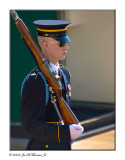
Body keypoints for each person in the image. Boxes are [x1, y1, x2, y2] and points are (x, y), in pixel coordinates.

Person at [21, 20, 84, 150]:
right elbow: (31, 126)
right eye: (61, 43)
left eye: (66, 42)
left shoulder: (64, 72)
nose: (66, 47)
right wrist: (65, 132)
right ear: (45, 44)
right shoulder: (36, 81)